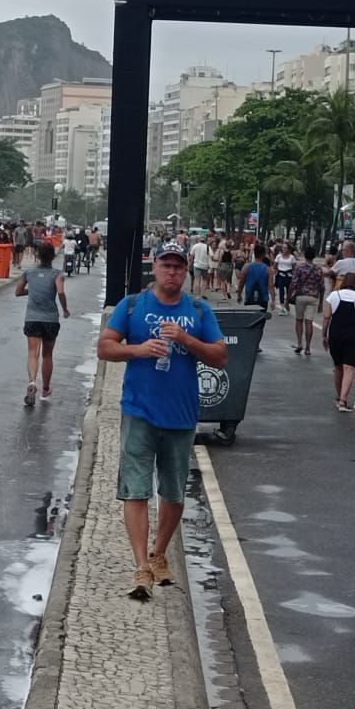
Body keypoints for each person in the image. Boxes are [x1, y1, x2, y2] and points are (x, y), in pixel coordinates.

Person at [97, 241, 227, 600]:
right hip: (139, 411)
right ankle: (141, 565)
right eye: (166, 265)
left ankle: (159, 553)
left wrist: (187, 339)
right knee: (135, 489)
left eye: (178, 266)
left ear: (186, 271)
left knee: (172, 491)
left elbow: (220, 357)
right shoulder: (133, 305)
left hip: (181, 414)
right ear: (154, 268)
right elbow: (105, 346)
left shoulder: (199, 310)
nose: (172, 272)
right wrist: (137, 350)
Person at [16, 241, 70, 407]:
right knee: (47, 355)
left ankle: (32, 382)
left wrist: (31, 291)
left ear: (37, 256)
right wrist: (65, 309)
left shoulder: (29, 273)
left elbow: (18, 292)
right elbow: (60, 292)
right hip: (50, 319)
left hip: (32, 318)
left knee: (33, 353)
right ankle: (46, 388)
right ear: (53, 257)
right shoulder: (57, 274)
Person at [324, 273, 355, 411]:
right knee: (349, 367)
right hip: (354, 336)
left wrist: (324, 335)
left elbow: (326, 317)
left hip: (336, 335)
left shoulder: (334, 296)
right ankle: (343, 400)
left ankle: (339, 395)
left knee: (338, 366)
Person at [288, 244, 327, 356]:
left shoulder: (300, 267)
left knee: (299, 320)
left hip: (300, 296)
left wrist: (288, 298)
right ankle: (308, 347)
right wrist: (320, 303)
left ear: (305, 255)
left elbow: (293, 283)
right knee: (309, 322)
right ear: (314, 256)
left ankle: (300, 343)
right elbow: (322, 287)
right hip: (313, 297)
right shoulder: (318, 269)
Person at [239, 244, 273, 308]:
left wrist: (239, 294)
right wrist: (273, 300)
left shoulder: (246, 267)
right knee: (262, 316)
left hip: (249, 296)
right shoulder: (268, 269)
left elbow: (241, 282)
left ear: (254, 253)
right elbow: (270, 285)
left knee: (250, 316)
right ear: (263, 255)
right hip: (263, 297)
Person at [274, 242, 296, 313]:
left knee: (289, 291)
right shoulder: (279, 256)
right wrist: (276, 273)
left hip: (289, 276)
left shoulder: (292, 257)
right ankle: (282, 307)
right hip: (281, 275)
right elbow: (275, 266)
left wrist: (294, 276)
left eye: (285, 248)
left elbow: (294, 268)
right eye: (283, 248)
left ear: (288, 249)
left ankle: (287, 303)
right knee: (281, 291)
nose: (284, 249)